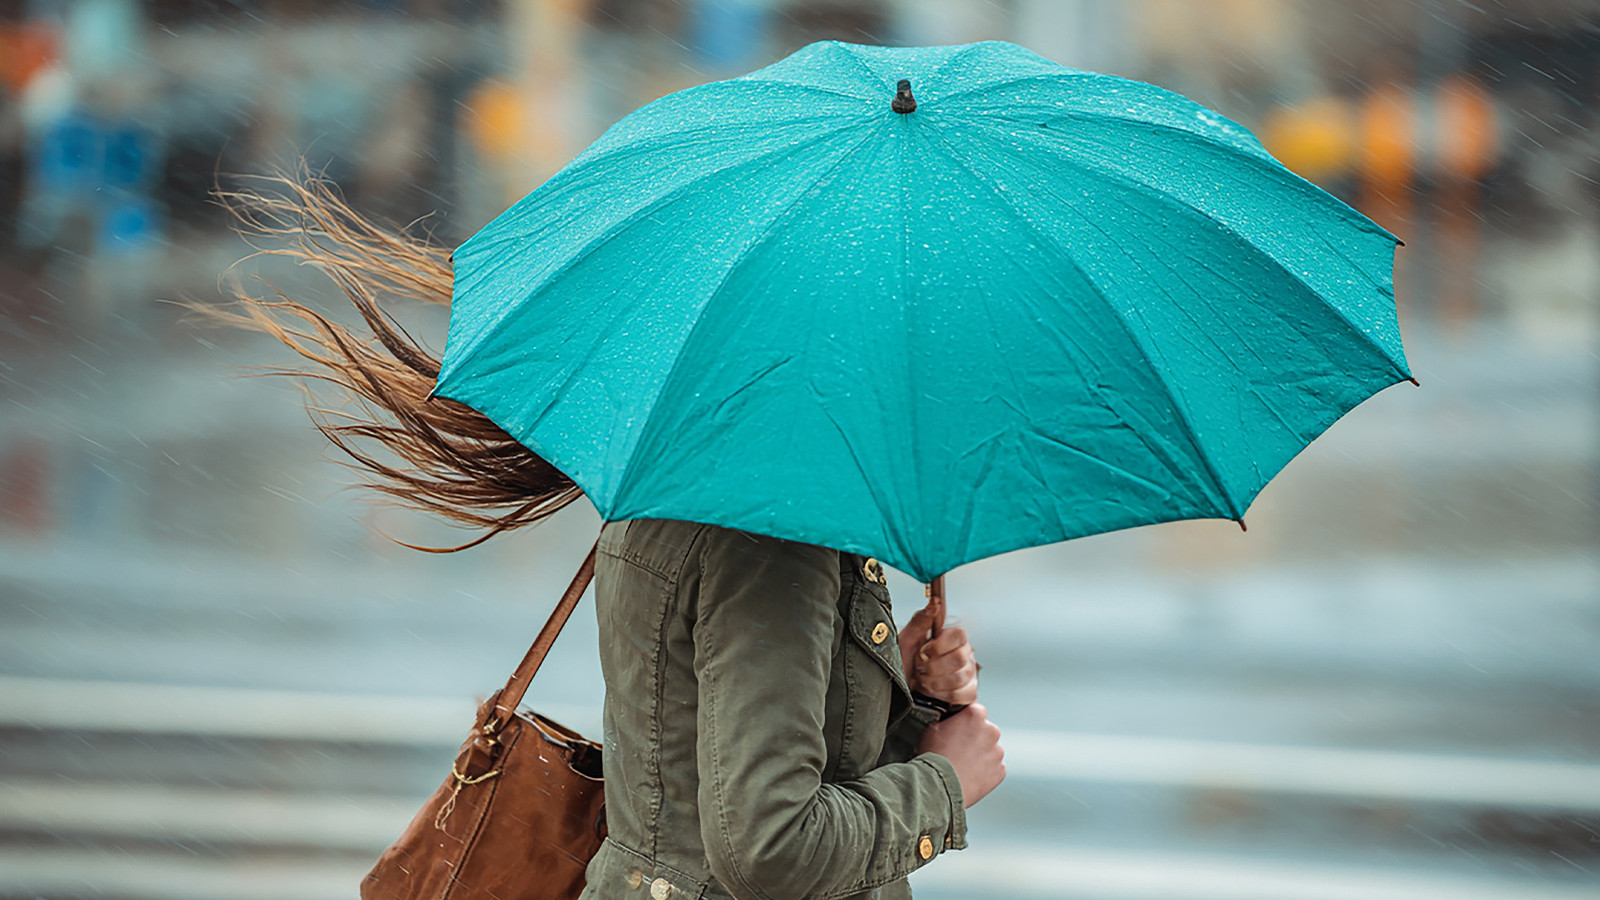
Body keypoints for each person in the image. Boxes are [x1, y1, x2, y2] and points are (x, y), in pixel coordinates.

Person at [217, 174, 1006, 900]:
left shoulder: (697, 473)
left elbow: (748, 773)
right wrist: (944, 784)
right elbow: (769, 850)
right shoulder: (768, 539)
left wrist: (912, 700)